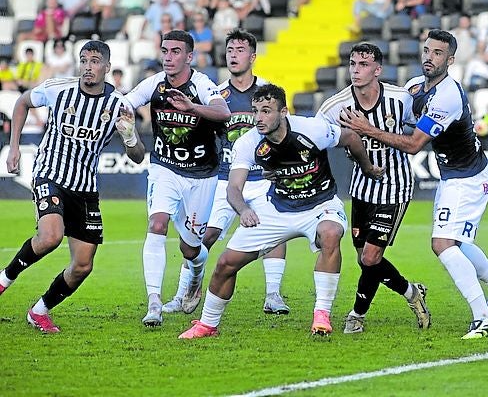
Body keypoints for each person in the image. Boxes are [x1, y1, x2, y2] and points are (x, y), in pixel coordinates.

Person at [340, 29, 488, 339]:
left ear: (449, 60)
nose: (429, 56)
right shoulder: (416, 87)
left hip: (468, 177)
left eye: (438, 53)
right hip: (454, 175)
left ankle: (484, 317)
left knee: (442, 244)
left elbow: (412, 145)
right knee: (459, 243)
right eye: (426, 50)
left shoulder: (447, 95)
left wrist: (366, 128)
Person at [178, 83, 384, 339]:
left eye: (266, 111)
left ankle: (322, 314)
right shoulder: (249, 142)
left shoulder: (311, 129)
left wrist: (366, 167)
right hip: (276, 208)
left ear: (283, 112)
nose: (259, 118)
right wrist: (242, 210)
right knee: (225, 263)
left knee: (330, 233)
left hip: (320, 205)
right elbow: (233, 188)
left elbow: (351, 138)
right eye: (256, 111)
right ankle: (208, 324)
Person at [0, 40, 145, 333]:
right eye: (83, 61)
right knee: (50, 236)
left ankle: (39, 312)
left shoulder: (118, 105)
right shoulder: (59, 89)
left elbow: (138, 155)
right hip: (50, 174)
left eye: (94, 62)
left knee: (82, 265)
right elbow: (22, 102)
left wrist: (129, 136)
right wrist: (14, 147)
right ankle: (4, 279)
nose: (87, 67)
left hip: (86, 187)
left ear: (106, 66)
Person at [161, 29, 289, 315]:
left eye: (240, 50)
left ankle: (273, 295)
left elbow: (285, 133)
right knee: (201, 238)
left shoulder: (269, 92)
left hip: (262, 178)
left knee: (274, 235)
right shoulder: (216, 94)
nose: (233, 54)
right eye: (230, 49)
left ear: (253, 57)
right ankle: (184, 293)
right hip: (224, 178)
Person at [319, 42, 431, 334]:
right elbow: (314, 139)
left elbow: (420, 133)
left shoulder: (400, 99)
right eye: (353, 64)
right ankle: (411, 290)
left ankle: (357, 314)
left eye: (364, 65)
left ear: (378, 70)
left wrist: (369, 129)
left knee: (371, 257)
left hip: (395, 186)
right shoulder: (334, 106)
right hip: (361, 188)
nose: (356, 70)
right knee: (364, 258)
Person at [124, 30, 231, 327]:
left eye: (175, 52)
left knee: (190, 248)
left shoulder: (201, 84)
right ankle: (154, 302)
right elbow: (127, 102)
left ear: (189, 56)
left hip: (201, 175)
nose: (168, 57)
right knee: (157, 224)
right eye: (164, 51)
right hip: (165, 167)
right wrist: (124, 116)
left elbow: (223, 112)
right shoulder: (154, 84)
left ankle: (195, 276)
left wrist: (192, 107)